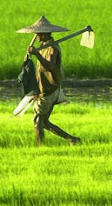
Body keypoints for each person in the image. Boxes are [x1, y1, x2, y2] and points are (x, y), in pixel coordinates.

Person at [26, 16, 80, 146]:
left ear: (44, 34)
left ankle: (39, 148)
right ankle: (72, 139)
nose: (36, 36)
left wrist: (36, 54)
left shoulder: (52, 48)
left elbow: (49, 66)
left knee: (38, 120)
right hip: (45, 89)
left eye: (38, 33)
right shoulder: (43, 46)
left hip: (49, 90)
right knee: (44, 122)